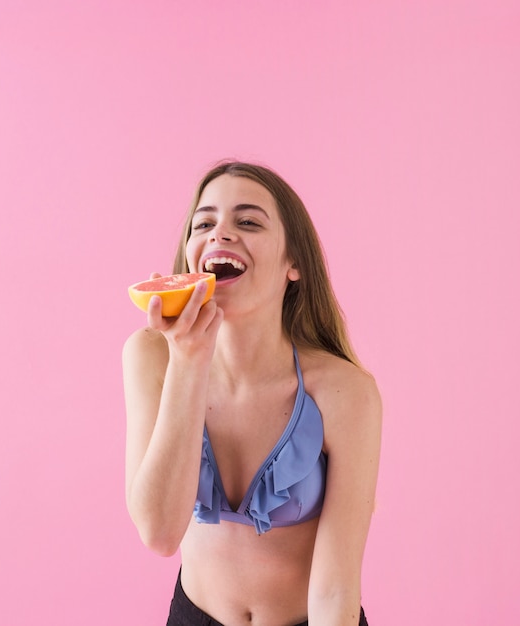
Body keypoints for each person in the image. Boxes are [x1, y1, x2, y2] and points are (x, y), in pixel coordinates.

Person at [122, 161, 382, 625]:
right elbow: (159, 533)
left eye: (247, 221)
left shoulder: (346, 392)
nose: (220, 233)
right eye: (204, 223)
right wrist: (188, 361)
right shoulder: (152, 357)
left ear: (293, 264)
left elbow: (336, 587)